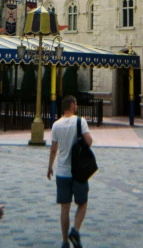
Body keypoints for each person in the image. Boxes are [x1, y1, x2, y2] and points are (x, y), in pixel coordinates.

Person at [47, 95, 93, 248]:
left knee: (64, 207)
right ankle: (75, 230)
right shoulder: (80, 121)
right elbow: (89, 141)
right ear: (72, 105)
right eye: (76, 104)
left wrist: (49, 166)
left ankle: (65, 241)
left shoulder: (56, 125)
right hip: (78, 171)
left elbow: (54, 149)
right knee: (83, 203)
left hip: (62, 171)